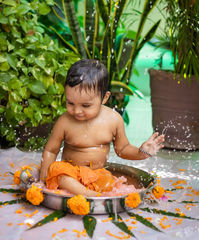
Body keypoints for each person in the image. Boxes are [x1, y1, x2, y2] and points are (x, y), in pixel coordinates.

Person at [40, 59, 164, 197]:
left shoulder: (113, 120)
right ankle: (88, 194)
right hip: (71, 173)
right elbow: (51, 151)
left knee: (109, 181)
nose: (77, 111)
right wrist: (43, 179)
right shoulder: (64, 122)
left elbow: (122, 149)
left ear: (104, 98)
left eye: (86, 105)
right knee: (58, 171)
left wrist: (141, 152)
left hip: (98, 174)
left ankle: (86, 193)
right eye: (70, 103)